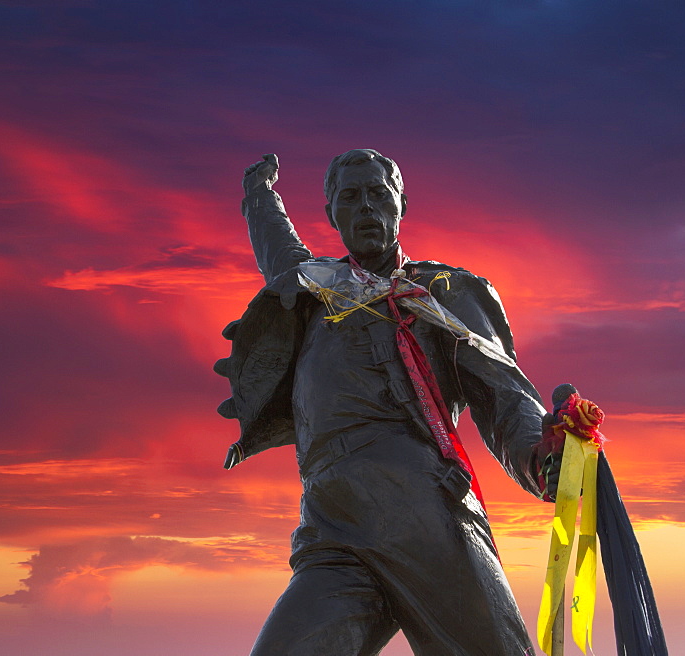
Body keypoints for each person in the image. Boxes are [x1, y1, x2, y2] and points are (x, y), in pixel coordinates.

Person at [215, 149, 561, 656]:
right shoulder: (313, 289)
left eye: (379, 194)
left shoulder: (445, 291)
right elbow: (276, 246)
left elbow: (504, 391)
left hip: (426, 518)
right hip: (332, 530)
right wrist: (258, 194)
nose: (366, 208)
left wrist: (540, 457)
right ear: (333, 213)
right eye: (350, 198)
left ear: (401, 203)